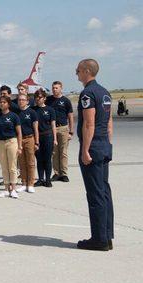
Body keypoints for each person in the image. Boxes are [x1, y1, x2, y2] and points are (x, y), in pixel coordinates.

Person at [75, 58, 113, 251]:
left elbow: (89, 123)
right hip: (104, 145)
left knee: (95, 194)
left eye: (78, 70)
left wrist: (85, 150)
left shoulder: (88, 93)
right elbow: (108, 123)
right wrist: (108, 143)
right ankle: (107, 236)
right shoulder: (105, 93)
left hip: (93, 148)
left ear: (87, 71)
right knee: (104, 192)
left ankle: (99, 239)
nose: (77, 74)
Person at [46, 81, 74, 183]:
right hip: (51, 129)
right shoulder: (48, 100)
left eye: (56, 88)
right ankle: (57, 173)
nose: (54, 90)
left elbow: (70, 116)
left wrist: (71, 131)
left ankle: (64, 173)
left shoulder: (66, 101)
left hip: (63, 128)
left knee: (63, 152)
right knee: (54, 152)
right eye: (53, 88)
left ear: (61, 88)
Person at [16, 91, 39, 194]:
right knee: (22, 162)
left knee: (30, 162)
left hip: (30, 138)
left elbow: (36, 129)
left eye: (23, 100)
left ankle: (31, 184)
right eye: (19, 100)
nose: (21, 101)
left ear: (27, 101)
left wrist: (37, 142)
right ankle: (24, 183)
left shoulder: (32, 112)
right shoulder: (16, 113)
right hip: (19, 140)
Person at [33, 89, 56, 187]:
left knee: (47, 158)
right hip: (37, 137)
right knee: (39, 158)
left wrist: (55, 139)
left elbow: (53, 125)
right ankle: (40, 179)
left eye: (40, 97)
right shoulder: (33, 110)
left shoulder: (50, 110)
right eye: (36, 98)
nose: (38, 99)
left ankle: (48, 179)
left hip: (48, 136)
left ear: (44, 98)